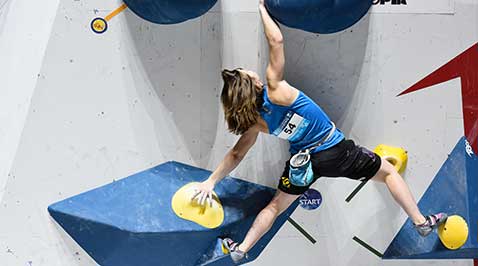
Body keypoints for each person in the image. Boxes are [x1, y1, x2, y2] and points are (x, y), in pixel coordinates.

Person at [192, 0, 446, 263]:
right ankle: (420, 221)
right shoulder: (275, 88)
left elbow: (236, 154)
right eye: (248, 71)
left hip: (303, 165)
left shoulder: (255, 121)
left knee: (275, 206)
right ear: (254, 83)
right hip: (336, 152)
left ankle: (242, 249)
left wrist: (211, 182)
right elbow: (276, 41)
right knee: (389, 172)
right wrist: (262, 9)